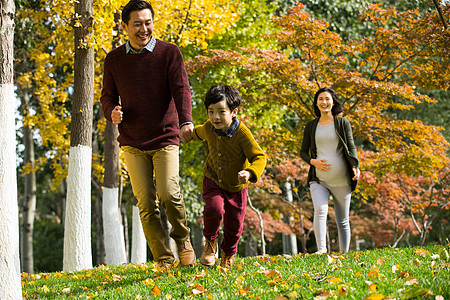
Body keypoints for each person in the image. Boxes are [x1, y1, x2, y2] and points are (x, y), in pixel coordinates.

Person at [100, 0, 195, 270]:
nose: (144, 28)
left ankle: (183, 242)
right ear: (125, 26)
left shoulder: (169, 53)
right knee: (145, 202)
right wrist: (111, 113)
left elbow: (182, 89)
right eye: (138, 24)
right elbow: (107, 96)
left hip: (165, 135)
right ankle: (164, 257)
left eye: (148, 22)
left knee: (168, 192)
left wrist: (186, 121)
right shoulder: (114, 59)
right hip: (132, 140)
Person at [191, 85, 266, 268]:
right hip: (213, 179)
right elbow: (198, 132)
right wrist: (187, 133)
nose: (215, 117)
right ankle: (210, 243)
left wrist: (249, 172)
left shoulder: (242, 134)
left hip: (235, 186)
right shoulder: (209, 127)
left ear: (234, 112)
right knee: (214, 209)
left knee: (234, 225)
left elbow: (259, 157)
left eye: (221, 111)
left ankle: (228, 253)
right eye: (211, 112)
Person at [300, 87, 360, 254]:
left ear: (333, 102)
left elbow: (351, 146)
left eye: (327, 99)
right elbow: (303, 151)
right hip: (319, 179)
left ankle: (344, 254)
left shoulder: (343, 123)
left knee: (342, 221)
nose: (324, 102)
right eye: (320, 99)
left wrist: (356, 166)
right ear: (316, 103)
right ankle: (321, 250)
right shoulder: (311, 126)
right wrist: (314, 162)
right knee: (320, 210)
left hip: (342, 180)